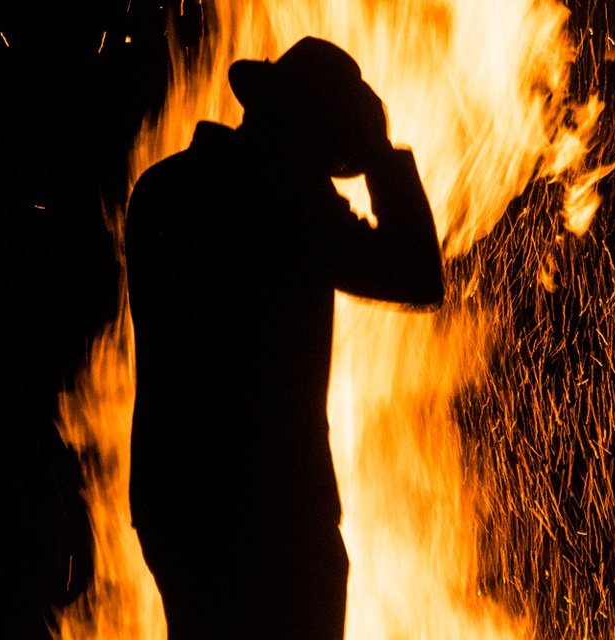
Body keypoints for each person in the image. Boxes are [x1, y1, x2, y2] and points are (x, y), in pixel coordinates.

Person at [122, 37, 443, 638]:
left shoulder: (162, 187)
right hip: (276, 509)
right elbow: (417, 274)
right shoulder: (286, 203)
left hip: (175, 499)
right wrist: (379, 153)